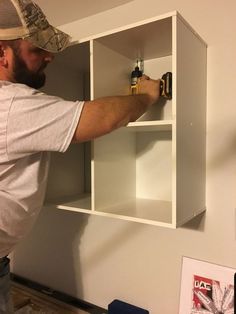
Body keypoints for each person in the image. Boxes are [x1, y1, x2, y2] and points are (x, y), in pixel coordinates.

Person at [0, 0, 160, 312]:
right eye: (36, 49)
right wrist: (147, 95)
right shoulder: (10, 104)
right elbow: (102, 118)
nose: (50, 56)